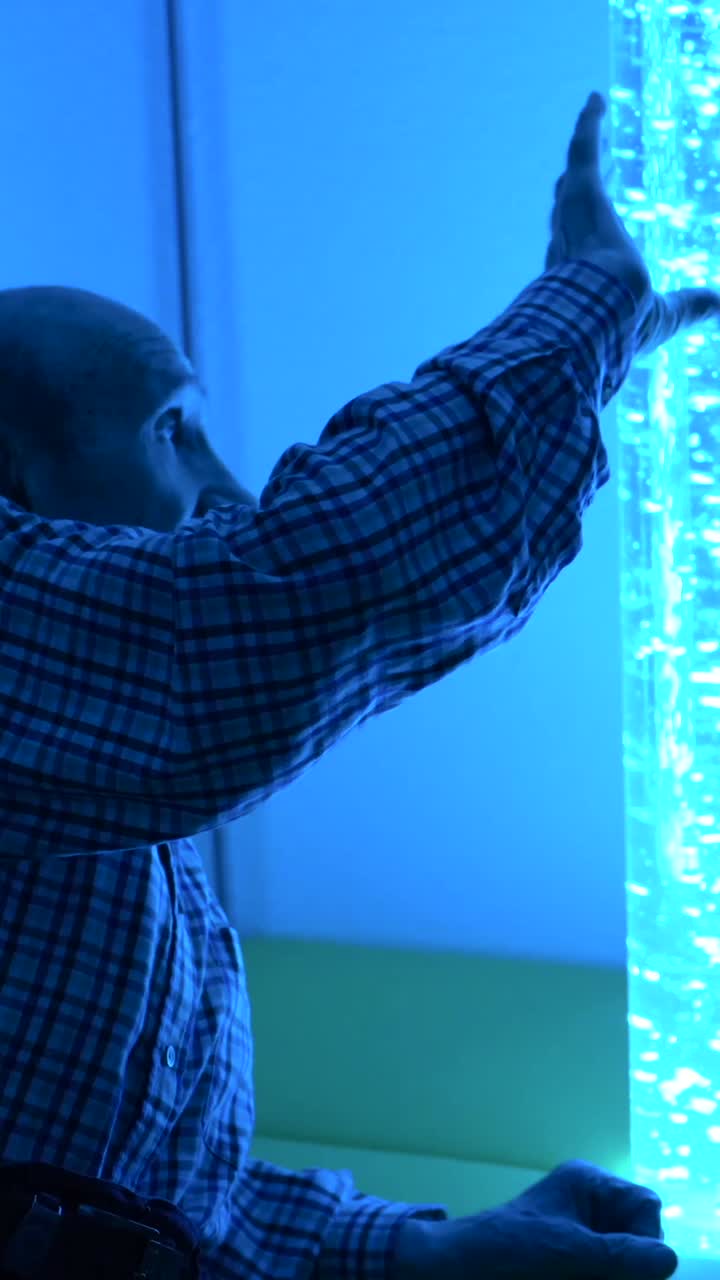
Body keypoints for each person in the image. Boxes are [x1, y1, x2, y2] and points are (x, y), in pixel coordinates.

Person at [0, 89, 707, 1279]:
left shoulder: (105, 801)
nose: (224, 485)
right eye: (174, 427)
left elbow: (146, 1200)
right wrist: (587, 299)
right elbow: (258, 613)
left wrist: (429, 1252)